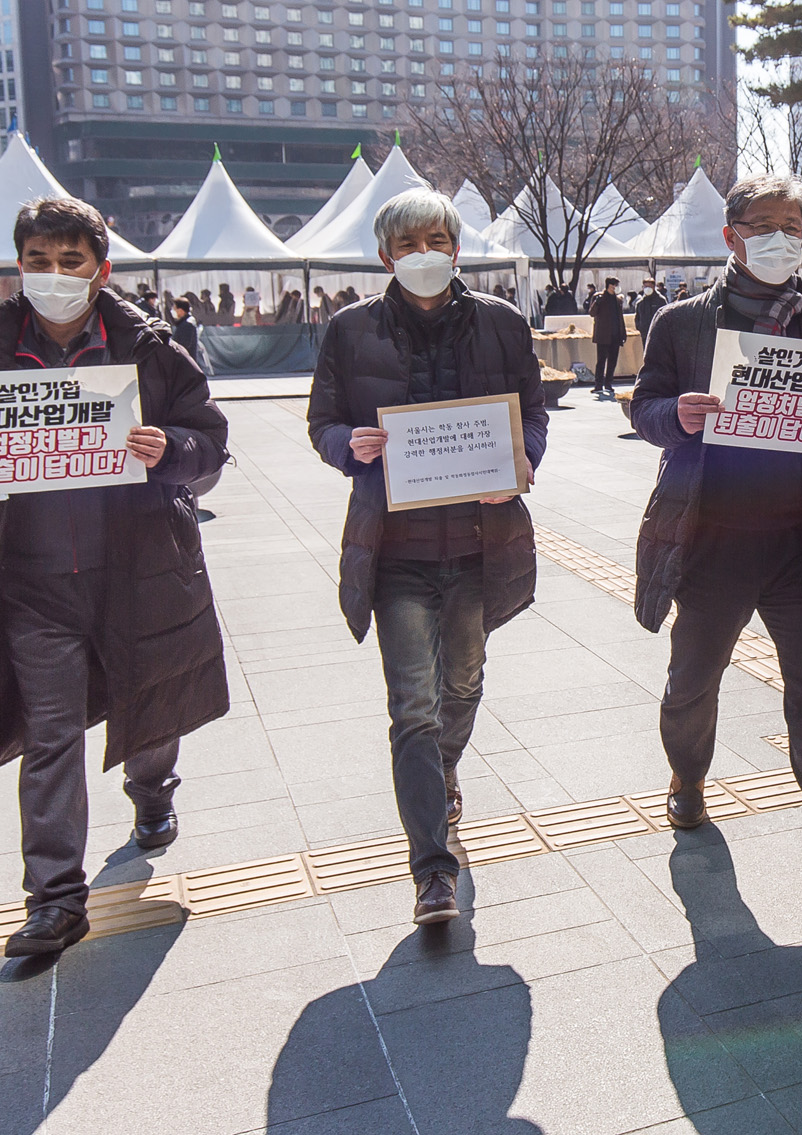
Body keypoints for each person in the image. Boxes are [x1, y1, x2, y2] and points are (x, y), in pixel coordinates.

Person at [0, 195, 230, 957]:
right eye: (38, 262)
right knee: (50, 734)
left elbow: (212, 448)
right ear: (17, 266)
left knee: (152, 707)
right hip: (33, 584)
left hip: (142, 571)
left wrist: (174, 451)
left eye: (70, 262)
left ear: (101, 269)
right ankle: (54, 896)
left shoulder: (153, 352)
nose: (53, 275)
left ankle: (153, 791)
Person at [629, 173, 802, 887]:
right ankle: (687, 777)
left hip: (800, 542)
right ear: (731, 236)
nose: (781, 239)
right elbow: (644, 406)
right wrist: (672, 416)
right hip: (711, 541)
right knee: (692, 682)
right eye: (764, 225)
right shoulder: (681, 323)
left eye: (793, 226)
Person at [307, 188, 549, 927]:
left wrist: (524, 457)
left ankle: (443, 768)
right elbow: (323, 419)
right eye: (409, 245)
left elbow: (531, 411)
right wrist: (348, 444)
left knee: (464, 682)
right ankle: (431, 868)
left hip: (480, 543)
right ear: (386, 256)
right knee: (411, 704)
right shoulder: (350, 331)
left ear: (457, 247)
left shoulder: (503, 324)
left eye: (437, 240)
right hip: (397, 552)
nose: (424, 255)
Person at [587, 276, 627, 399]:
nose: (616, 287)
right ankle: (598, 384)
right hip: (603, 335)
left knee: (612, 361)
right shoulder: (600, 297)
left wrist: (623, 333)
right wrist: (596, 302)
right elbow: (592, 313)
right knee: (601, 361)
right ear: (609, 285)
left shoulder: (617, 300)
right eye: (614, 285)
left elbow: (620, 318)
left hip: (615, 335)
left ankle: (608, 383)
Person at [170, 297, 201, 367]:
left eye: (175, 309)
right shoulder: (186, 322)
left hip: (185, 365)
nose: (173, 312)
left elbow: (183, 346)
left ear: (180, 311)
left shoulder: (187, 324)